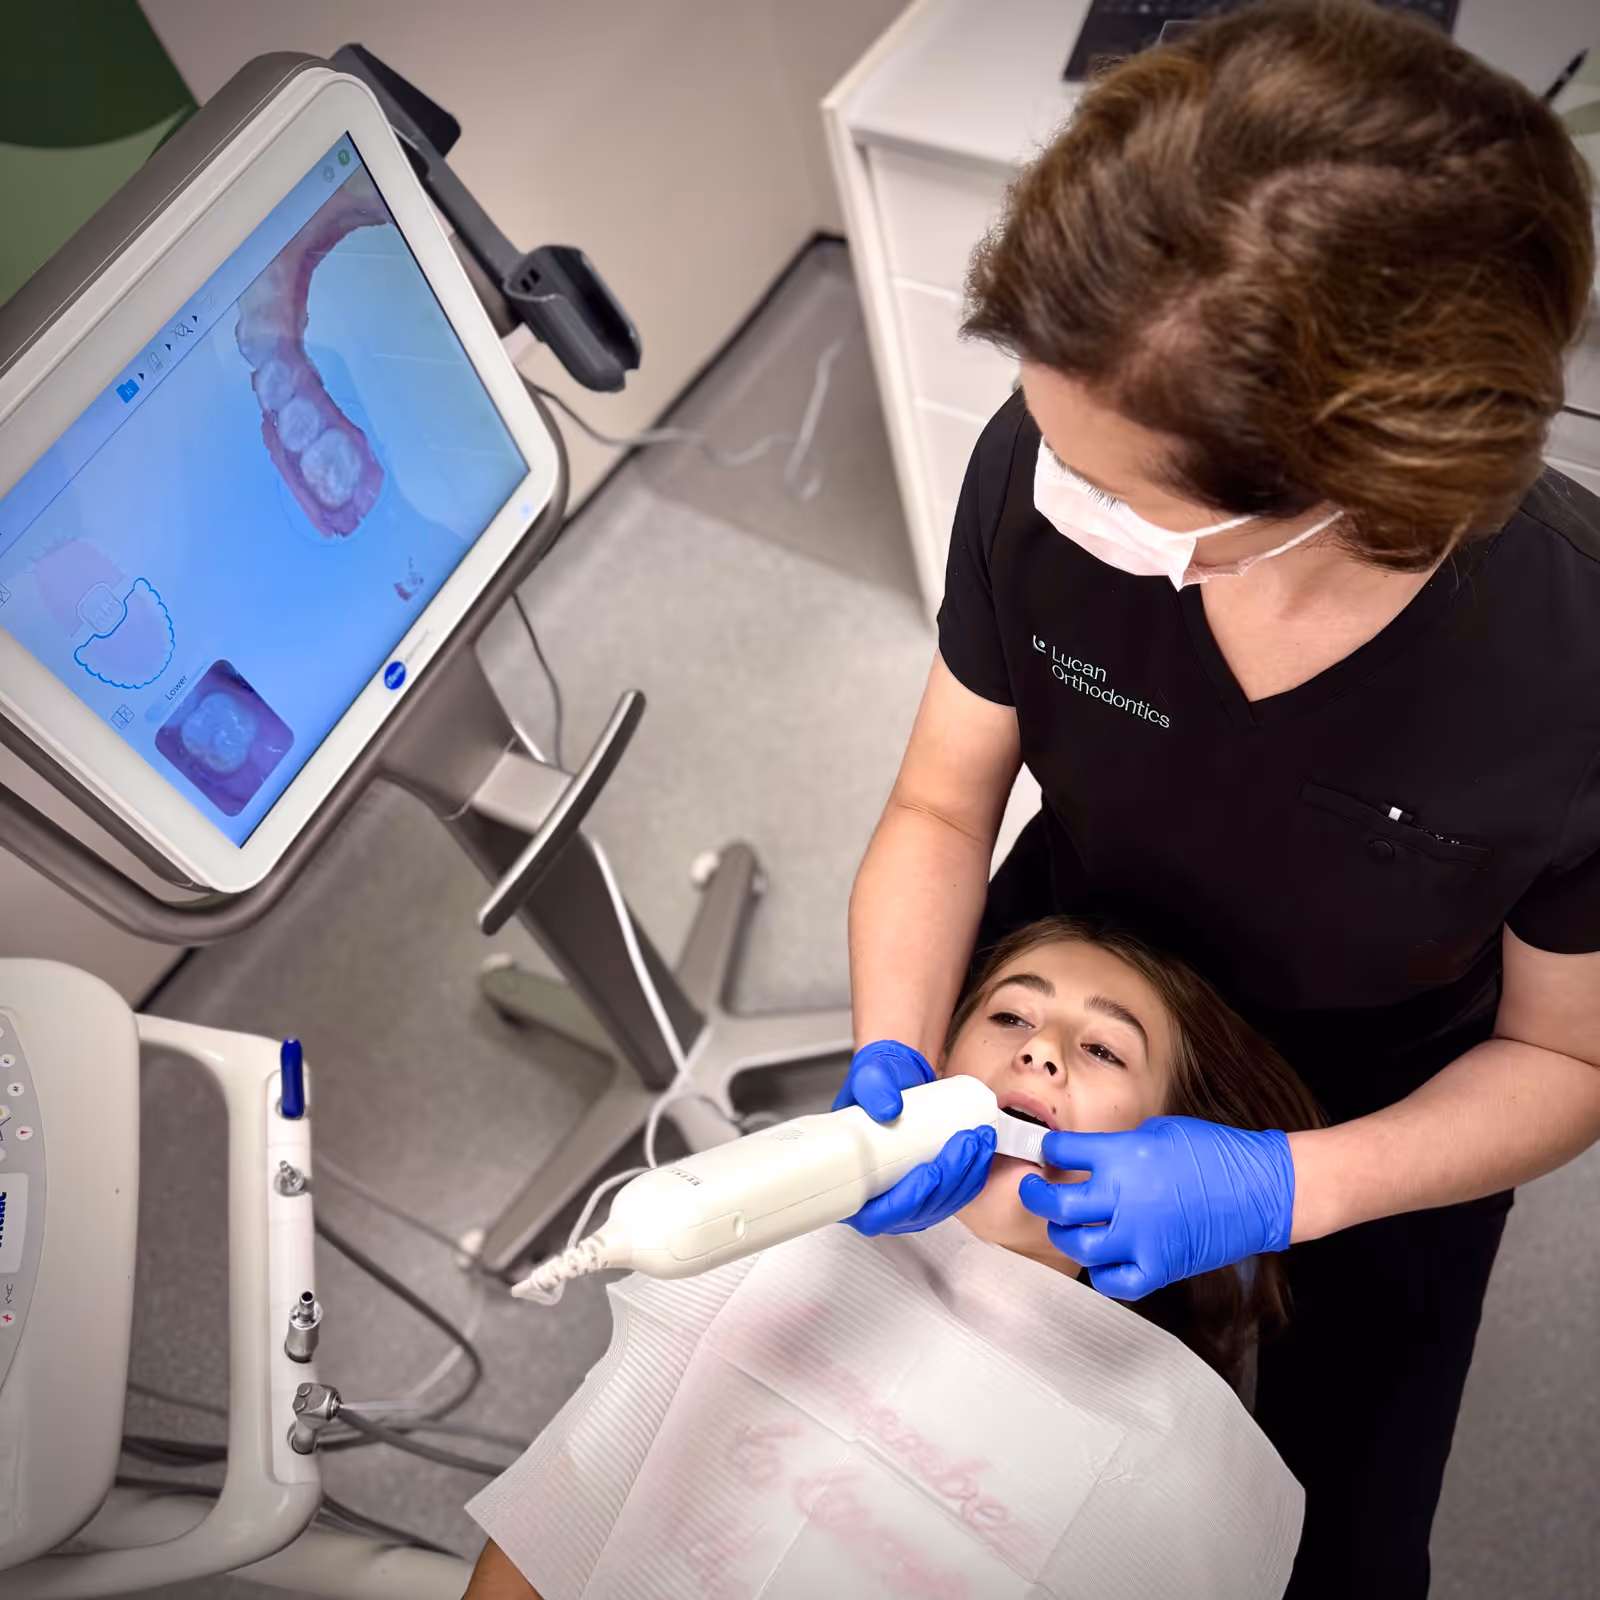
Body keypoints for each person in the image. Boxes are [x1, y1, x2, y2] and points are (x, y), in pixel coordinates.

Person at [834, 3, 1600, 1594]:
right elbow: (938, 807)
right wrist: (898, 1043)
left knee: (1341, 1548)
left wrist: (1288, 1185)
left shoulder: (1569, 667)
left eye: (1116, 499)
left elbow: (1566, 1053)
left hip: (1384, 1114)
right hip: (1083, 964)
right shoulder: (1048, 466)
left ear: (1358, 492)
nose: (1058, 501)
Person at [461, 918, 1325, 1600]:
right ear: (941, 1060)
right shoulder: (772, 1247)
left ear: (1168, 1151)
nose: (1039, 1049)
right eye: (1010, 1015)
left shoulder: (1173, 1468)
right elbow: (559, 1518)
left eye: (1103, 1049)